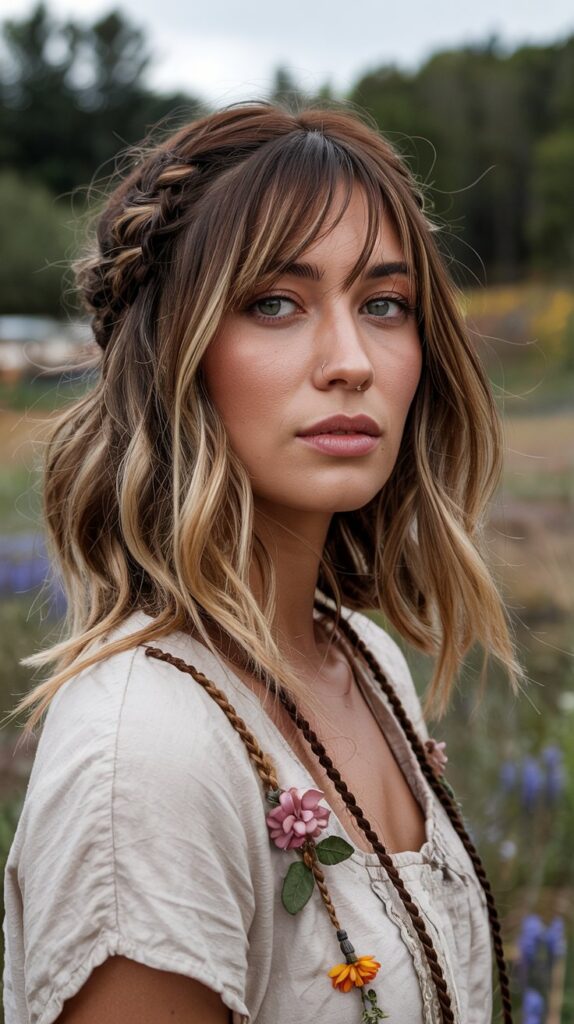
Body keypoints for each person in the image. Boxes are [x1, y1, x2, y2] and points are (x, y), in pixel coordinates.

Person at [3, 102, 520, 1024]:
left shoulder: (364, 659)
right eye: (275, 303)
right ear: (175, 351)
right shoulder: (151, 752)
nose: (352, 360)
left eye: (384, 304)